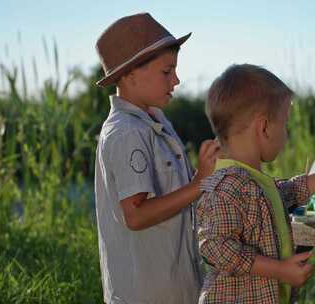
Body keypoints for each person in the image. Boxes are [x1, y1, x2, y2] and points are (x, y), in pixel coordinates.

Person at [197, 64, 315, 303]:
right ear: (264, 127)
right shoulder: (227, 186)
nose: (286, 134)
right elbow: (214, 246)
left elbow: (290, 192)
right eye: (285, 123)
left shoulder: (253, 182)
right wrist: (279, 270)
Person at [94, 13, 220, 304]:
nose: (176, 80)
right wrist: (199, 183)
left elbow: (180, 195)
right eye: (167, 71)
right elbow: (136, 215)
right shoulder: (127, 133)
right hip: (145, 294)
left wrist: (208, 174)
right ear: (130, 74)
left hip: (176, 286)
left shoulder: (156, 121)